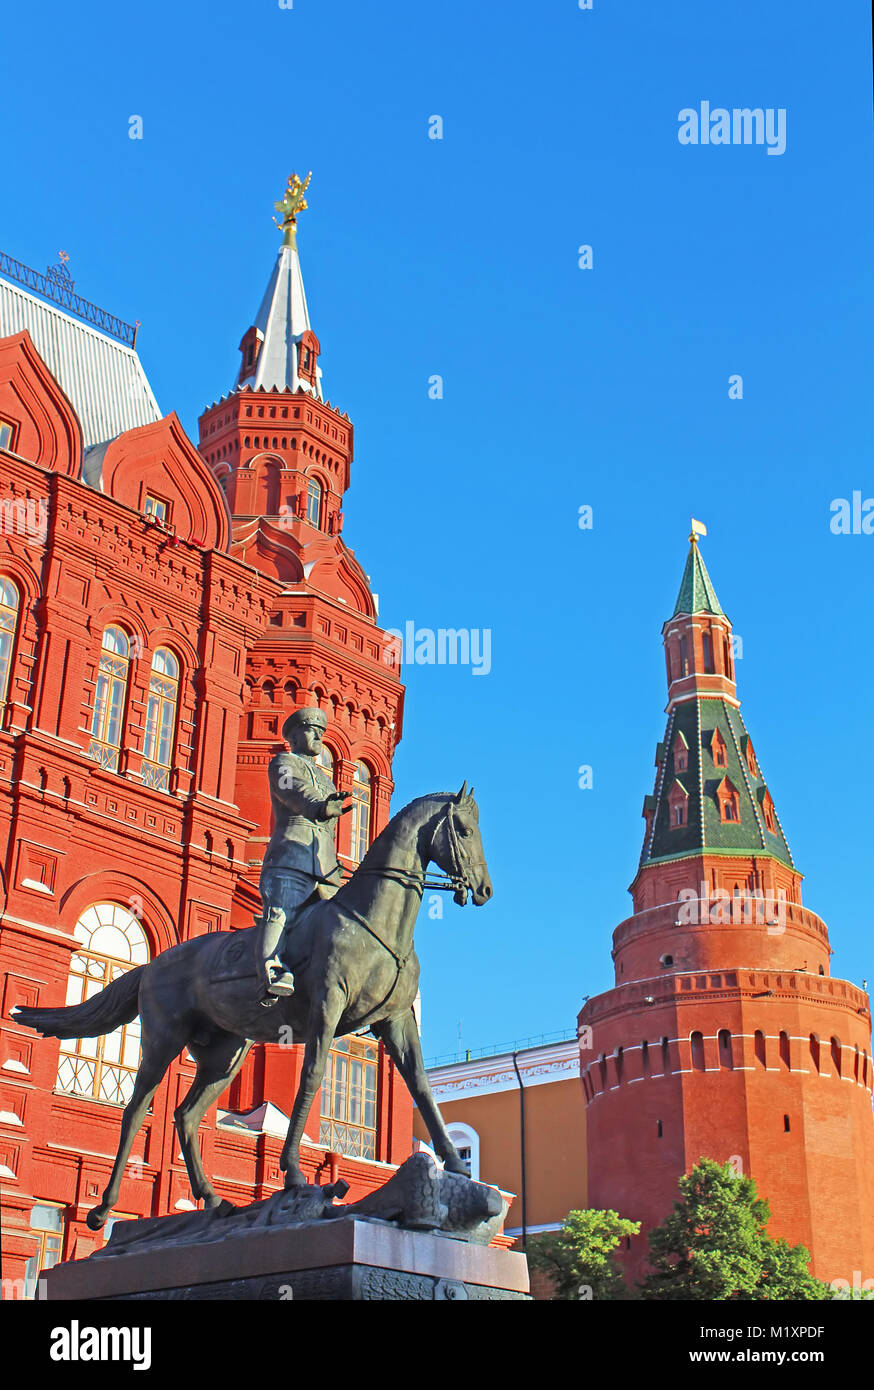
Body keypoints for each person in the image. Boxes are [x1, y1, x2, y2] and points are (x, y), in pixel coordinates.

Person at [255, 706, 351, 1001]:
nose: (319, 736)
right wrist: (320, 808)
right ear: (295, 736)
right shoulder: (284, 763)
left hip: (325, 867)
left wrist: (336, 864)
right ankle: (271, 970)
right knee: (282, 911)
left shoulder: (326, 780)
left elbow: (330, 829)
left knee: (342, 922)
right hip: (290, 860)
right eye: (312, 730)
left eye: (322, 733)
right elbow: (295, 793)